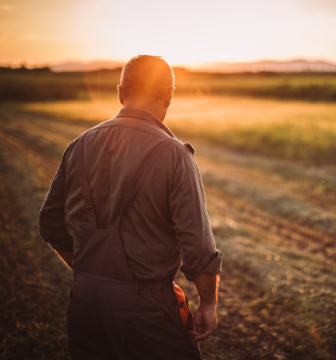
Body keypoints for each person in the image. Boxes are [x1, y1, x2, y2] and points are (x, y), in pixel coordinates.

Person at [38, 55, 222, 360]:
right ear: (169, 99)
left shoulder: (79, 145)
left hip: (84, 301)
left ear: (120, 93)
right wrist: (208, 304)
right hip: (147, 310)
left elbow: (51, 224)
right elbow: (198, 247)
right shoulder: (175, 155)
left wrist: (95, 273)